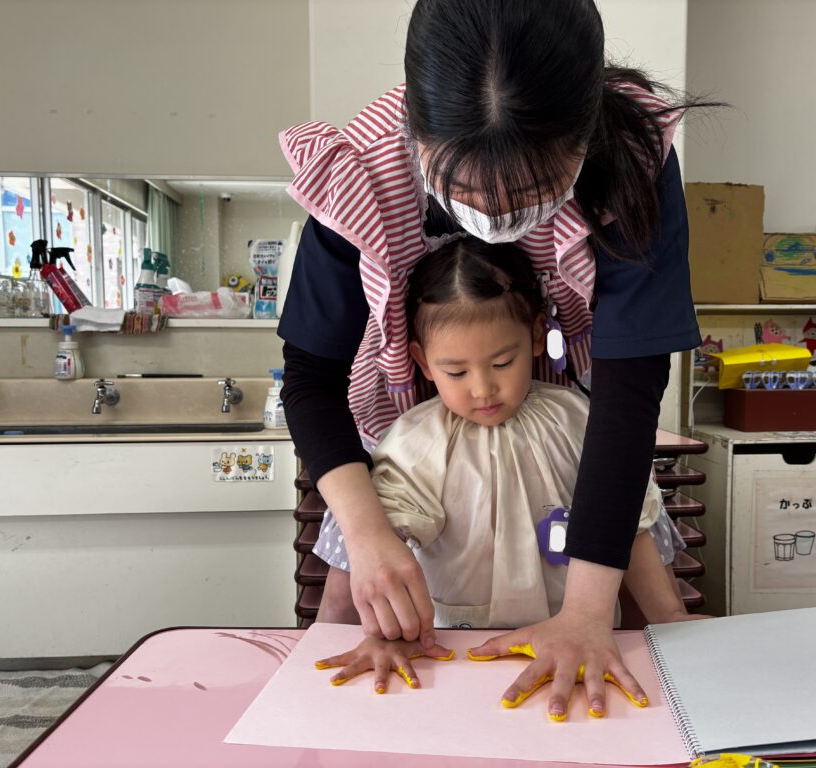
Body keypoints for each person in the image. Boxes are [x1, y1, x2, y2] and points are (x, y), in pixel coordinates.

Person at [277, 0, 705, 720]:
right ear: (417, 135)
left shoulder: (630, 158)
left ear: (586, 138)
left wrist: (587, 615)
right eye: (465, 190)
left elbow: (630, 392)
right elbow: (310, 380)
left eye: (534, 191)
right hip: (402, 456)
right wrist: (369, 536)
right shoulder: (362, 174)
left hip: (570, 455)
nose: (499, 214)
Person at [313, 240, 708, 718]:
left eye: (503, 363)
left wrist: (669, 618)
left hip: (576, 651)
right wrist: (381, 634)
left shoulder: (580, 422)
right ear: (421, 360)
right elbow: (378, 553)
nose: (483, 389)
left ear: (537, 336)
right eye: (456, 371)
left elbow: (630, 522)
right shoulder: (414, 441)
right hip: (448, 662)